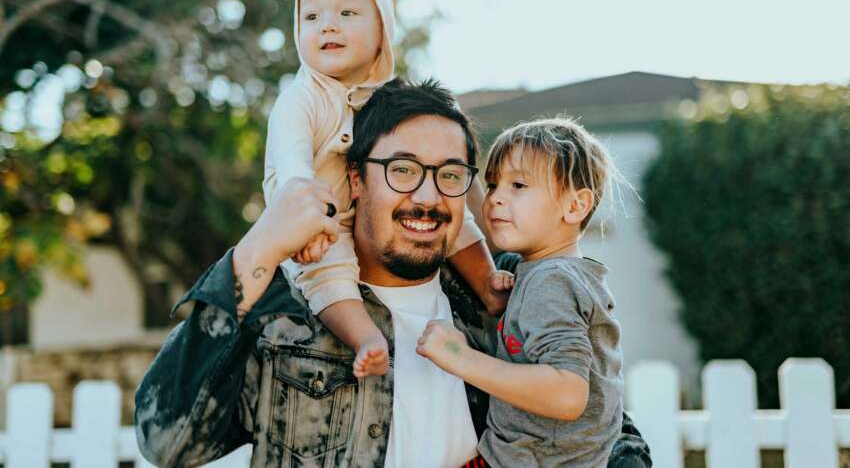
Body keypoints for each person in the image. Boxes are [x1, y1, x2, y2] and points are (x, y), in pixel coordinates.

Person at [134, 79, 651, 467]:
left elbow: (604, 422)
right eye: (402, 170)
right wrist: (256, 250)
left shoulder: (505, 291)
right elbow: (167, 442)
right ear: (356, 180)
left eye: (449, 176)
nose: (427, 197)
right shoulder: (284, 310)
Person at [263, 0, 510, 379]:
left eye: (346, 13)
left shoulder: (391, 101)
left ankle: (488, 284)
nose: (327, 26)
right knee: (329, 274)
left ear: (383, 33)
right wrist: (308, 227)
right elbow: (293, 171)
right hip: (314, 219)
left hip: (359, 213)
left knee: (454, 214)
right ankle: (365, 337)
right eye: (311, 16)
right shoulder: (301, 99)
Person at [418, 118, 626, 467]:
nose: (495, 198)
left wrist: (460, 357)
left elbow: (567, 394)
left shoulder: (551, 282)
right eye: (493, 184)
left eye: (517, 185)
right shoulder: (552, 275)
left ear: (575, 206)